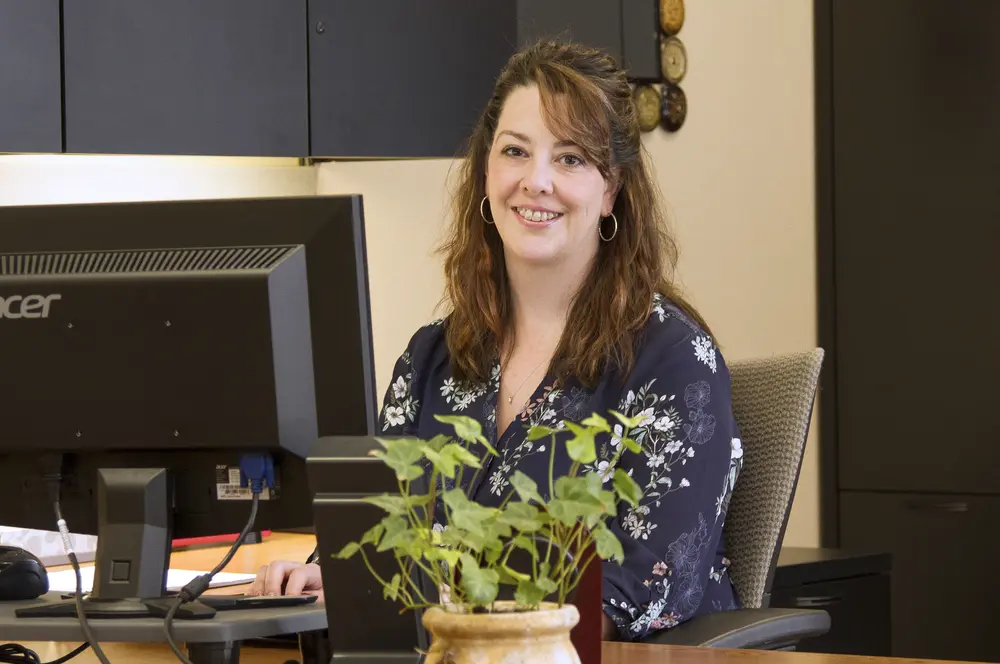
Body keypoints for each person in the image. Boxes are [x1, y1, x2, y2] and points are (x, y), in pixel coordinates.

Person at [248, 39, 744, 642]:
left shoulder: (671, 359)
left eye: (571, 159)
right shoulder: (431, 357)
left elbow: (644, 590)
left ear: (611, 189)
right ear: (487, 171)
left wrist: (447, 599)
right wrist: (333, 575)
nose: (536, 182)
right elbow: (386, 538)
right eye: (516, 151)